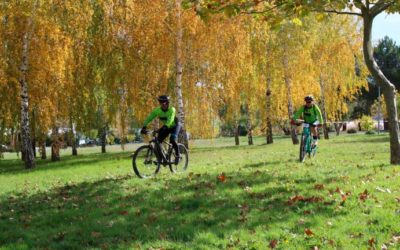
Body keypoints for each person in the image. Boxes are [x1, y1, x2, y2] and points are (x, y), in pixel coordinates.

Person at [141, 95, 181, 163]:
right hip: (166, 127)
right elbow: (149, 118)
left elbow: (170, 120)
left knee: (172, 140)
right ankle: (161, 158)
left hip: (175, 126)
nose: (164, 104)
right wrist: (144, 126)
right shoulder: (157, 111)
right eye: (161, 103)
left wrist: (165, 126)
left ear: (168, 103)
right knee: (158, 141)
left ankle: (178, 156)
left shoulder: (172, 109)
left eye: (165, 103)